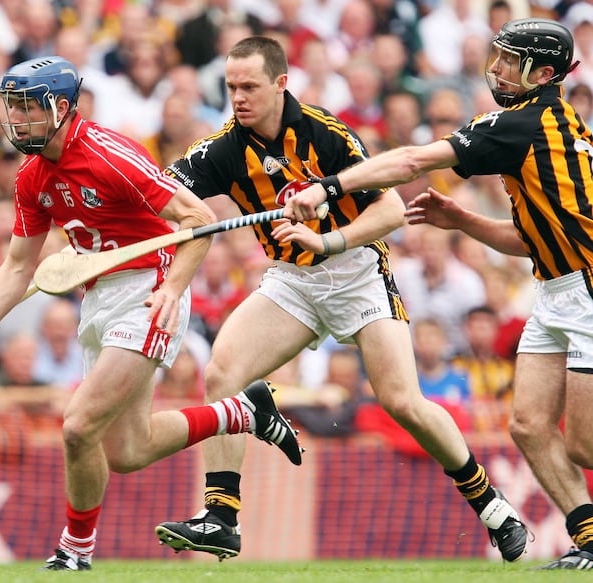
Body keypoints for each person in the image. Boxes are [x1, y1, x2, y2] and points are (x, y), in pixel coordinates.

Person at [156, 35, 527, 564]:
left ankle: (492, 507)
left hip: (356, 272)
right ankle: (222, 518)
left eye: (250, 87)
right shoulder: (221, 150)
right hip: (293, 281)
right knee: (222, 374)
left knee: (403, 402)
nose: (238, 97)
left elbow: (391, 213)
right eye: (231, 86)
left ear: (282, 84)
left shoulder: (324, 133)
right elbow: (160, 190)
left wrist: (327, 239)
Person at [0, 56, 301, 572]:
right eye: (11, 108)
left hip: (150, 288)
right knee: (128, 450)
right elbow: (19, 266)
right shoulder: (31, 177)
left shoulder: (111, 156)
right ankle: (243, 413)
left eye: (27, 109)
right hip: (98, 297)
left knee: (78, 425)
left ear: (61, 108)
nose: (16, 120)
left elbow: (198, 219)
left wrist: (173, 290)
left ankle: (75, 550)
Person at [284, 18, 591, 570]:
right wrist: (466, 222)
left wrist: (328, 186)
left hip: (589, 292)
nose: (494, 68)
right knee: (527, 425)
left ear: (543, 74)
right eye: (495, 55)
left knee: (584, 444)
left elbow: (411, 161)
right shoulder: (542, 129)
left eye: (508, 60)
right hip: (555, 288)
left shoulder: (525, 123)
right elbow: (533, 239)